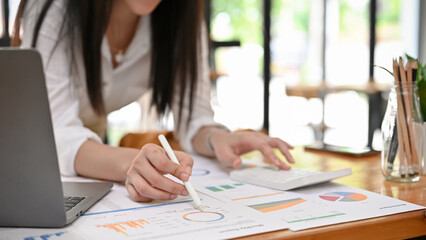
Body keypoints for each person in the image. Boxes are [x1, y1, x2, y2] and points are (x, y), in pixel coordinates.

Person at [14, 0, 295, 202]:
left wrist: (217, 138)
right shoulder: (52, 7)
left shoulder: (182, 16)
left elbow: (194, 120)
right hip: (21, 155)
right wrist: (128, 163)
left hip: (84, 164)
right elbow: (56, 133)